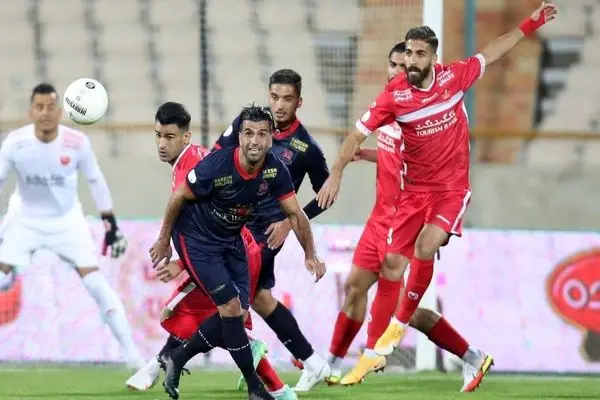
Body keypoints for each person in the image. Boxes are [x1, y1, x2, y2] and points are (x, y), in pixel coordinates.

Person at [317, 3, 558, 392]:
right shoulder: (392, 100)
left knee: (422, 252)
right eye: (405, 56)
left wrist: (531, 23)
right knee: (383, 272)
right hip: (406, 202)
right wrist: (338, 171)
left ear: (432, 57)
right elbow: (357, 136)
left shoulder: (454, 78)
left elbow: (495, 50)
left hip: (449, 190)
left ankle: (382, 340)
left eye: (417, 55)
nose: (409, 63)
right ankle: (387, 353)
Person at [325, 42, 490, 391]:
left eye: (405, 65)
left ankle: (466, 355)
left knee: (405, 308)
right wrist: (366, 155)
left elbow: (420, 166)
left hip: (406, 218)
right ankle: (329, 364)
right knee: (355, 286)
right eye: (394, 63)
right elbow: (389, 155)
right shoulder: (388, 109)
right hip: (379, 219)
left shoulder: (417, 115)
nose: (398, 70)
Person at [150, 105, 325, 400]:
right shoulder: (217, 166)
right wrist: (164, 240)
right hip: (197, 241)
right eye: (248, 133)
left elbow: (296, 214)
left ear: (271, 138)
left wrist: (311, 254)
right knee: (230, 308)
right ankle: (256, 389)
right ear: (239, 137)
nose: (254, 141)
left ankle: (177, 357)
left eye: (262, 134)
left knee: (238, 315)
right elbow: (179, 195)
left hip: (231, 240)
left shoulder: (274, 170)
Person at [0, 83, 139, 366]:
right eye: (39, 107)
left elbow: (95, 180)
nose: (45, 113)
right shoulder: (15, 143)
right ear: (30, 112)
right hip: (25, 218)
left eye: (51, 107)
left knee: (97, 285)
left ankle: (133, 357)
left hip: (66, 221)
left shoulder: (77, 142)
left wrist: (110, 223)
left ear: (60, 112)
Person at [214, 69, 332, 392]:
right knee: (261, 300)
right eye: (275, 97)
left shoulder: (306, 147)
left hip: (266, 235)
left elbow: (326, 195)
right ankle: (312, 362)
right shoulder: (250, 126)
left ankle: (170, 359)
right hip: (237, 227)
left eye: (287, 99)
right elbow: (217, 155)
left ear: (299, 102)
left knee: (228, 297)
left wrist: (289, 223)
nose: (279, 105)